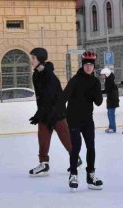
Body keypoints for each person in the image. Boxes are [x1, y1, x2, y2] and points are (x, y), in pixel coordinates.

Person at [28, 47, 82, 177]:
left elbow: (52, 98)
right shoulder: (36, 75)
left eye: (33, 58)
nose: (31, 61)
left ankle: (76, 158)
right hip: (44, 112)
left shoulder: (50, 77)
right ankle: (44, 164)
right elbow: (41, 98)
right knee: (42, 138)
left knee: (66, 138)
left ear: (40, 60)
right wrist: (39, 114)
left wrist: (47, 114)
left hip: (56, 113)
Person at [55, 51, 104, 191]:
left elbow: (99, 102)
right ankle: (73, 174)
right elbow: (63, 98)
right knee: (76, 146)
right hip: (74, 119)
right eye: (86, 64)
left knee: (91, 147)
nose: (89, 67)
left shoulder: (95, 82)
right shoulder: (75, 80)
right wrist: (62, 114)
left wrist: (97, 89)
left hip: (88, 119)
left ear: (94, 67)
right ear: (83, 65)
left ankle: (90, 175)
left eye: (91, 65)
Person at [100, 67, 119, 133]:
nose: (101, 76)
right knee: (110, 114)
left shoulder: (109, 82)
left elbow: (106, 91)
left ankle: (112, 128)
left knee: (111, 114)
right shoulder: (109, 80)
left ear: (106, 74)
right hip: (111, 100)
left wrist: (98, 92)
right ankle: (112, 127)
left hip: (112, 101)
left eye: (102, 75)